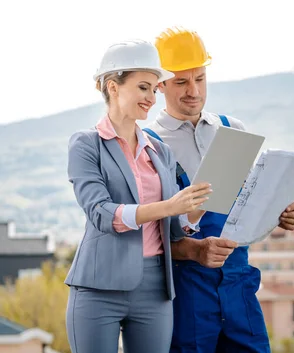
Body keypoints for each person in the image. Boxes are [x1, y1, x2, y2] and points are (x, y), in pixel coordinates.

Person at [143, 26, 294, 353]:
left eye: (199, 79)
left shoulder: (233, 130)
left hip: (238, 282)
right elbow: (147, 235)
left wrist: (280, 212)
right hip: (188, 292)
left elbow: (252, 205)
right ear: (159, 84)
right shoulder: (150, 144)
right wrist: (194, 250)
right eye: (181, 81)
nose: (193, 91)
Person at [65, 39, 212, 353]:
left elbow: (173, 227)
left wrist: (193, 211)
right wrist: (168, 205)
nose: (151, 98)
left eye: (154, 90)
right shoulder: (86, 145)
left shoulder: (160, 152)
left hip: (155, 287)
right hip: (98, 287)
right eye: (143, 87)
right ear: (113, 87)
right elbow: (102, 214)